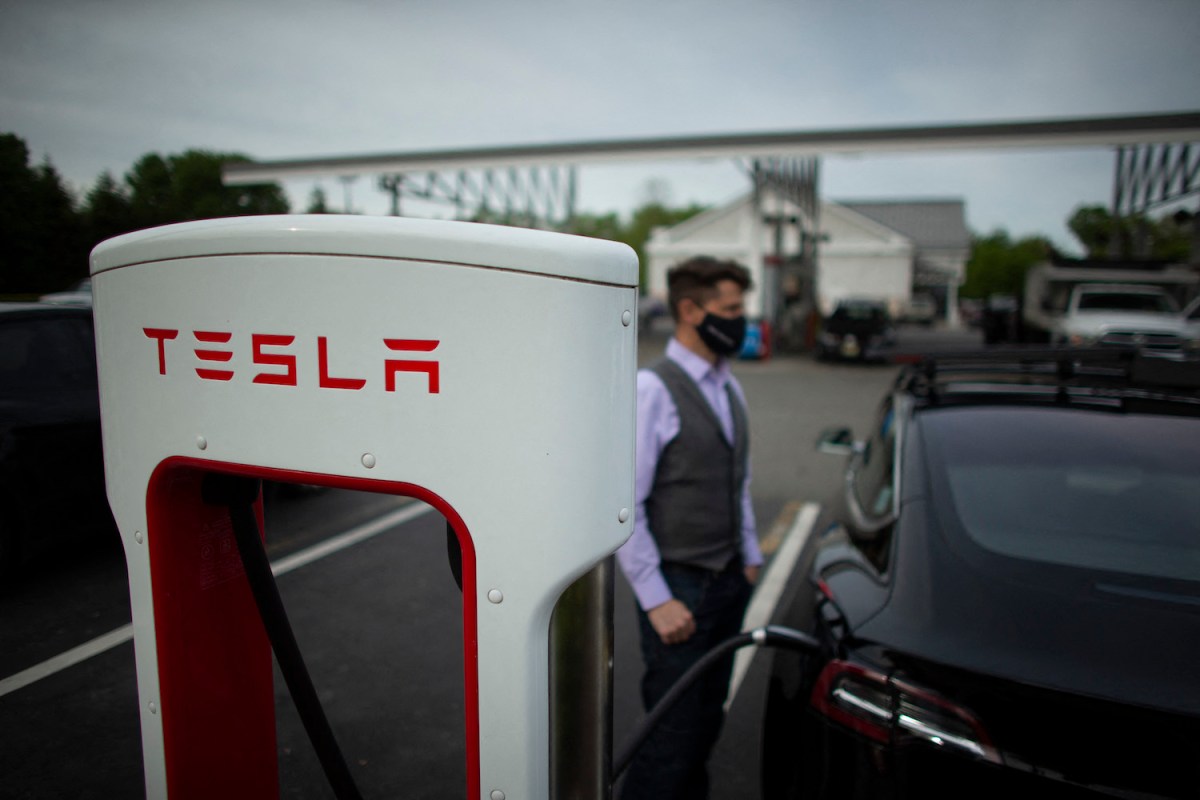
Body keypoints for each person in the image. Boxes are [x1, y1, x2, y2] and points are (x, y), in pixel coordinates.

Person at [617, 256, 762, 800]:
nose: (739, 321)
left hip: (727, 582)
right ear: (689, 309)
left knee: (705, 725)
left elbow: (736, 479)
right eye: (729, 310)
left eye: (740, 310)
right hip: (681, 587)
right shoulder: (653, 389)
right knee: (669, 739)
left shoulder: (728, 386)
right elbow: (624, 505)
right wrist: (656, 599)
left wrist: (749, 557)